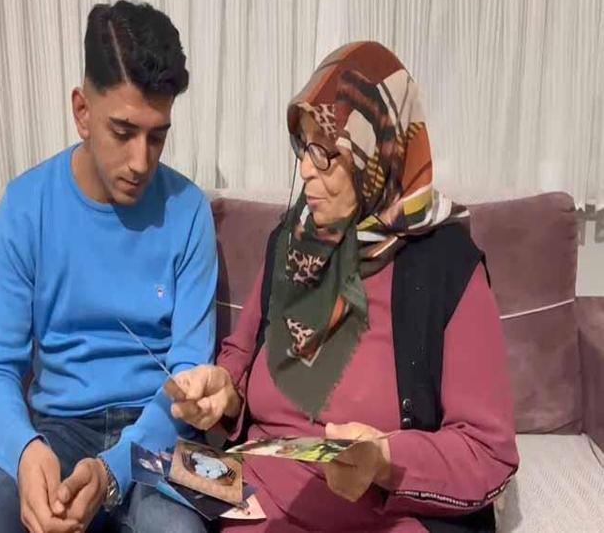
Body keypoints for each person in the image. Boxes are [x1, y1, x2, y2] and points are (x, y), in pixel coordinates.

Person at [168, 42, 519, 532]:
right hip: (263, 498)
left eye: (327, 153)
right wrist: (223, 392)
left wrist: (385, 459)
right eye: (303, 147)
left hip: (385, 513)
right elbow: (241, 359)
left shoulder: (447, 267)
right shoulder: (290, 241)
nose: (305, 168)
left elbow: (488, 452)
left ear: (377, 158)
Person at [0, 0, 217, 533]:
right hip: (59, 428)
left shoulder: (189, 212)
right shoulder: (27, 206)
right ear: (82, 111)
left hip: (157, 436)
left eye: (157, 135)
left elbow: (188, 380)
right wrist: (26, 451)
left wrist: (112, 472)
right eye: (123, 131)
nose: (141, 161)